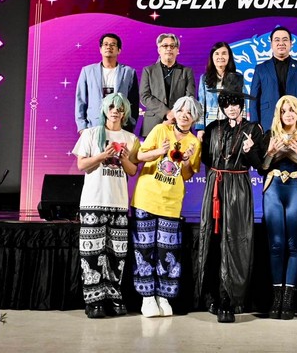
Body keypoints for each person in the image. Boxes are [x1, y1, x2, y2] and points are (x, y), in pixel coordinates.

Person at [195, 73, 264, 323]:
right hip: (215, 186)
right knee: (213, 239)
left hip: (238, 189)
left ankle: (230, 299)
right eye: (227, 103)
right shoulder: (213, 128)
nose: (231, 107)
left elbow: (261, 166)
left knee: (235, 241)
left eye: (235, 103)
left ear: (241, 104)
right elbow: (206, 159)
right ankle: (212, 295)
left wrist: (250, 151)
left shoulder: (253, 129)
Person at [130, 96, 202, 317]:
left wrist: (187, 160)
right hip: (146, 198)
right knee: (144, 249)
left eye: (189, 113)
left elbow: (187, 175)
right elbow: (138, 156)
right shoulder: (161, 130)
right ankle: (147, 297)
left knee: (167, 251)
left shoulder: (194, 142)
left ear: (194, 118)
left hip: (171, 203)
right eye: (181, 111)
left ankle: (164, 296)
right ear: (175, 113)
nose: (184, 115)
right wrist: (158, 152)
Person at [72, 92, 140, 318]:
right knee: (91, 253)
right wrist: (103, 155)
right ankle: (93, 300)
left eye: (119, 109)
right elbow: (81, 165)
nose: (115, 112)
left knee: (117, 254)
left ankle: (114, 296)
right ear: (104, 109)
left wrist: (123, 158)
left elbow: (132, 170)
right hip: (93, 201)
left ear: (125, 113)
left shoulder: (130, 138)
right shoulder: (91, 133)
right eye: (111, 107)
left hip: (118, 203)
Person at [259, 95, 297, 319]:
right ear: (279, 114)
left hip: (296, 189)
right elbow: (262, 168)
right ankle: (276, 298)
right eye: (284, 111)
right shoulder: (270, 135)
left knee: (294, 244)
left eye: (292, 110)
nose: (288, 114)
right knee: (276, 244)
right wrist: (271, 153)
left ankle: (288, 299)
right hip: (273, 188)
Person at [249, 26, 297, 132]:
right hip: (268, 122)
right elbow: (254, 98)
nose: (281, 43)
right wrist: (254, 123)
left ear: (291, 43)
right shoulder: (261, 69)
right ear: (271, 44)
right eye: (277, 40)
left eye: (285, 40)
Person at [75, 33, 139, 133]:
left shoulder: (128, 72)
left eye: (113, 44)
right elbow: (81, 100)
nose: (109, 47)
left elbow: (133, 101)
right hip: (94, 125)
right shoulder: (87, 71)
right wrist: (82, 127)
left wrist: (131, 124)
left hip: (120, 126)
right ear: (100, 49)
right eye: (105, 44)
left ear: (119, 50)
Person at [139, 33, 196, 137]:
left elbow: (190, 97)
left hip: (179, 122)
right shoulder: (148, 71)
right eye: (165, 46)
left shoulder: (186, 71)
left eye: (172, 46)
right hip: (153, 124)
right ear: (159, 50)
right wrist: (167, 112)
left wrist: (176, 114)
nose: (169, 49)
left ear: (177, 50)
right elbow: (144, 96)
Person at [196, 42, 242, 142]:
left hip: (231, 124)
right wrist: (200, 128)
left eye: (224, 53)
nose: (220, 57)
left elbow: (242, 105)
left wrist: (242, 125)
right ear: (212, 57)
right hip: (210, 124)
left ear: (229, 56)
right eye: (217, 54)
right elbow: (201, 104)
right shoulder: (204, 78)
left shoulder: (237, 77)